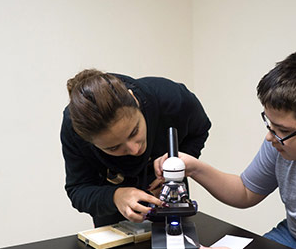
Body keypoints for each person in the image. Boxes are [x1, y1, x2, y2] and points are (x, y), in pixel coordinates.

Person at [154, 44, 296, 249]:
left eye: (280, 129)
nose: (270, 137)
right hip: (295, 238)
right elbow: (245, 192)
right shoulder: (286, 136)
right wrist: (195, 168)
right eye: (269, 124)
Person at [60, 69, 211, 227]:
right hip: (115, 219)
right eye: (114, 147)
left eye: (134, 132)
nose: (134, 149)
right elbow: (78, 189)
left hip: (169, 205)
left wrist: (176, 165)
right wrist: (115, 196)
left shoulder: (172, 99)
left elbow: (199, 130)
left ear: (134, 99)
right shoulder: (74, 128)